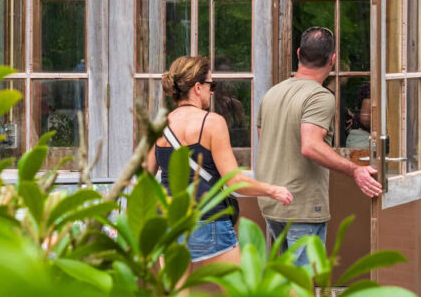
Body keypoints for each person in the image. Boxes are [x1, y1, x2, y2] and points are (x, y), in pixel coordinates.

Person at [147, 55, 293, 267]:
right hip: (208, 221)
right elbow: (234, 182)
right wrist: (273, 190)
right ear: (197, 87)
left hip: (169, 223)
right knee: (235, 293)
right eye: (211, 84)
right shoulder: (212, 123)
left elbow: (144, 178)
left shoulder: (159, 125)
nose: (213, 90)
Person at [256, 26, 383, 266]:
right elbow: (310, 146)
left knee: (286, 274)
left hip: (273, 201)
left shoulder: (272, 93)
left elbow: (265, 138)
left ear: (298, 53)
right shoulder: (320, 96)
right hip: (301, 204)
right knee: (301, 279)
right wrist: (354, 170)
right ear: (332, 59)